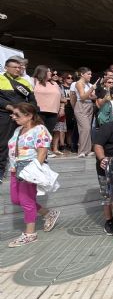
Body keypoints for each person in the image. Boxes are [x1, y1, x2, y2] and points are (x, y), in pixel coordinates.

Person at [7, 103, 60, 247]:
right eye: (13, 114)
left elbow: (42, 152)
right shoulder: (18, 129)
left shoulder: (39, 129)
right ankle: (47, 213)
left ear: (29, 115)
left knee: (26, 200)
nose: (13, 117)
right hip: (14, 169)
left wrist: (33, 172)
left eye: (17, 114)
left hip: (28, 170)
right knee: (16, 199)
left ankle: (30, 234)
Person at [1, 58, 37, 181]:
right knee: (4, 144)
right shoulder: (0, 79)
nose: (18, 69)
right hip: (5, 115)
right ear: (6, 67)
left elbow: (32, 100)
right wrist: (10, 107)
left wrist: (28, 111)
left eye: (19, 67)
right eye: (15, 67)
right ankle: (1, 170)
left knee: (22, 143)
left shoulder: (25, 82)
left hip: (23, 117)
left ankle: (19, 169)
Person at [72, 67, 96, 158]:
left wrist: (91, 94)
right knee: (85, 128)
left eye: (91, 74)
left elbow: (94, 97)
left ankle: (87, 150)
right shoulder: (79, 83)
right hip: (81, 105)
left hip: (89, 106)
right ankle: (81, 151)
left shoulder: (89, 84)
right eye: (88, 74)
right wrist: (91, 90)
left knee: (88, 128)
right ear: (82, 74)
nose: (90, 76)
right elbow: (82, 97)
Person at [32, 65, 61, 138]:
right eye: (48, 71)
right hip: (38, 112)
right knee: (37, 134)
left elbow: (61, 97)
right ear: (42, 72)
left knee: (48, 134)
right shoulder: (33, 81)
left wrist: (62, 108)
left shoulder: (54, 83)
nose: (50, 73)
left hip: (53, 113)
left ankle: (45, 149)